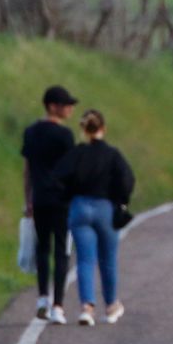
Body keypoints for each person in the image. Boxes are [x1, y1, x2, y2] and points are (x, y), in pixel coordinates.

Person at [51, 109, 135, 326]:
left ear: (83, 129)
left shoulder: (77, 153)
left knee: (85, 260)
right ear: (103, 129)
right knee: (108, 260)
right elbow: (127, 179)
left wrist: (68, 196)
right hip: (105, 208)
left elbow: (58, 177)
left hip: (79, 207)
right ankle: (110, 307)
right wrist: (121, 200)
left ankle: (86, 308)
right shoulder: (112, 154)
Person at [21, 85, 77, 325]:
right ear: (52, 106)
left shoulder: (31, 132)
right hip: (62, 200)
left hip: (40, 198)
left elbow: (27, 170)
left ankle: (42, 298)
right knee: (61, 252)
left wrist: (28, 200)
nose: (70, 109)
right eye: (66, 105)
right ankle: (58, 306)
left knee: (42, 248)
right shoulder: (65, 136)